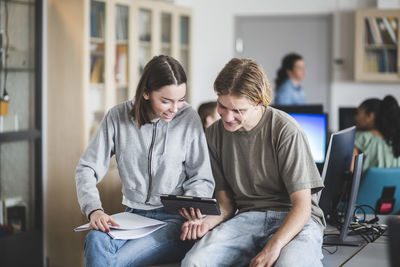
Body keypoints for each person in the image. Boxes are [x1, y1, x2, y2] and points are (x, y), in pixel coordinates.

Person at [180, 58, 325, 267]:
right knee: (193, 262)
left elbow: (303, 208)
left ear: (259, 102)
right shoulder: (213, 135)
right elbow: (226, 205)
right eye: (222, 106)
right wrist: (205, 222)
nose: (228, 117)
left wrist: (272, 247)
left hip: (295, 220)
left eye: (238, 110)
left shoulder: (285, 131)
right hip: (247, 218)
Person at [75, 55, 215, 267]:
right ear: (146, 92)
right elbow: (86, 168)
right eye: (166, 101)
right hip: (133, 216)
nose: (175, 109)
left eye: (180, 99)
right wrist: (94, 209)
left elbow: (201, 177)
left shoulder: (189, 118)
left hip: (174, 220)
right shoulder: (117, 117)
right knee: (95, 239)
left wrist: (194, 205)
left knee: (115, 261)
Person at [353, 95, 400, 173]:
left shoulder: (361, 138)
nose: (355, 117)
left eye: (357, 113)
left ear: (370, 116)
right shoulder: (396, 141)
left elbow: (350, 172)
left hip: (367, 185)